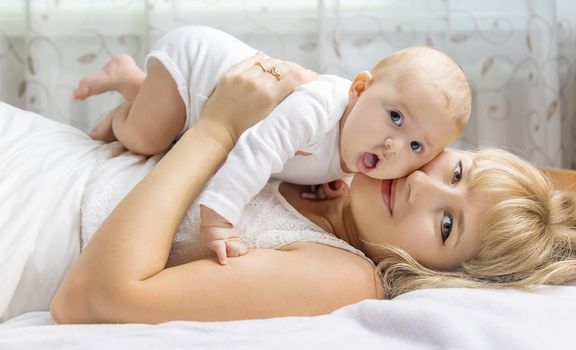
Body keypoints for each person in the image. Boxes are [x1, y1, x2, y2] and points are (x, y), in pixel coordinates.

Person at [44, 56, 575, 324]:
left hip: (35, 218)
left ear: (434, 273)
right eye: (456, 174)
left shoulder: (344, 277)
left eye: (445, 224)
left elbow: (93, 299)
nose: (418, 183)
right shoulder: (342, 161)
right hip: (49, 155)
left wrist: (219, 128)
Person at [73, 26, 472, 264]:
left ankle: (138, 89)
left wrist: (318, 181)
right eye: (396, 117)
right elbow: (258, 151)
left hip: (208, 106)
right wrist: (220, 218)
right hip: (194, 70)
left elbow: (297, 164)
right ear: (359, 88)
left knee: (166, 119)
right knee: (147, 137)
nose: (393, 146)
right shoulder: (316, 109)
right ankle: (122, 101)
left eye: (417, 146)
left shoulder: (357, 151)